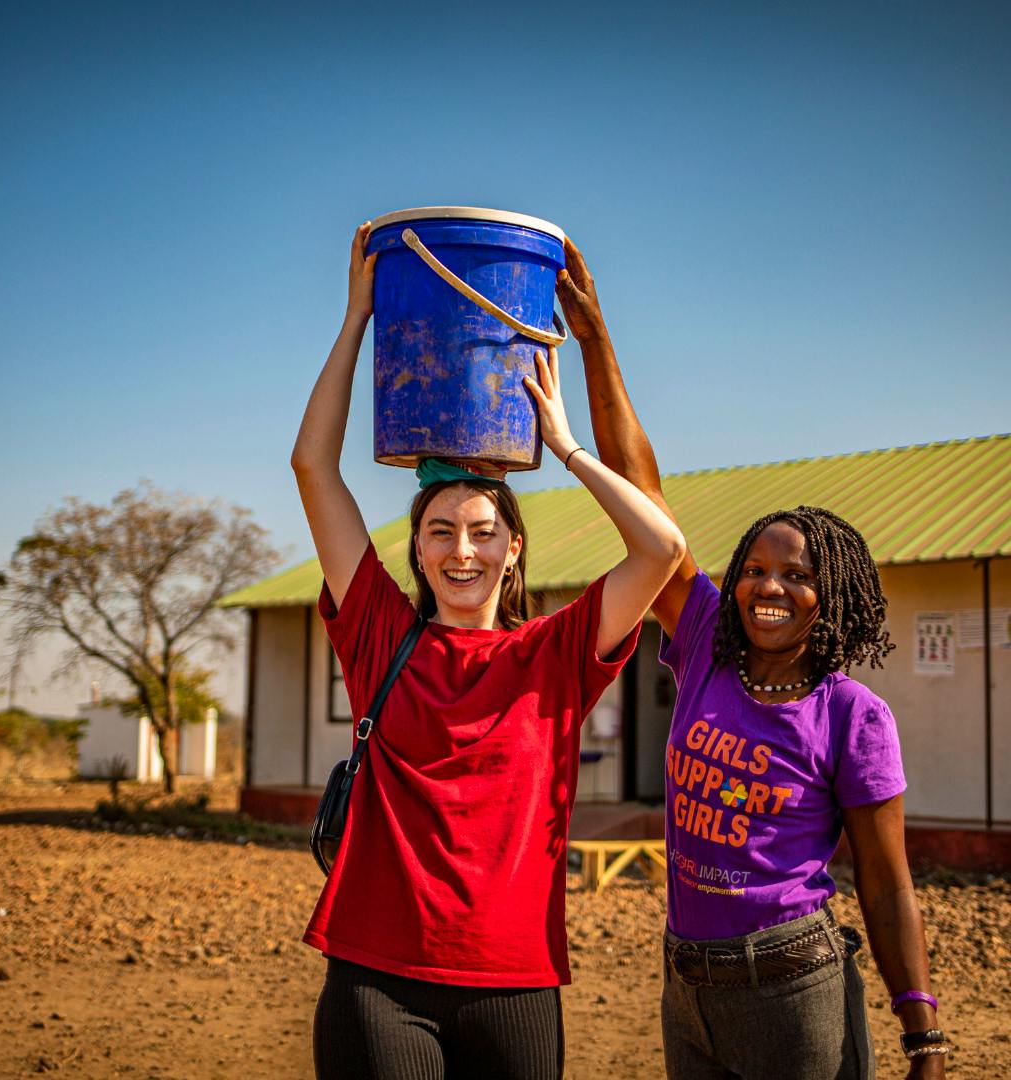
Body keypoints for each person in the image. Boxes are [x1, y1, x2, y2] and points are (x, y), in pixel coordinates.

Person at [291, 222, 686, 1079]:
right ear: (416, 548)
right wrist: (359, 317)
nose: (461, 551)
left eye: (482, 532)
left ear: (513, 549)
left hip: (516, 981)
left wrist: (568, 448)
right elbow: (313, 467)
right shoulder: (378, 632)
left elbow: (661, 548)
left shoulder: (558, 653)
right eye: (441, 532)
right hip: (375, 975)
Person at [554, 239, 948, 1079]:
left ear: (830, 600)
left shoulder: (852, 718)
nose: (770, 587)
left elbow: (886, 884)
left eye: (797, 577)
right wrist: (595, 341)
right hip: (685, 983)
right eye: (755, 570)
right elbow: (644, 495)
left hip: (792, 988)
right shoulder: (705, 641)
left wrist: (923, 1032)